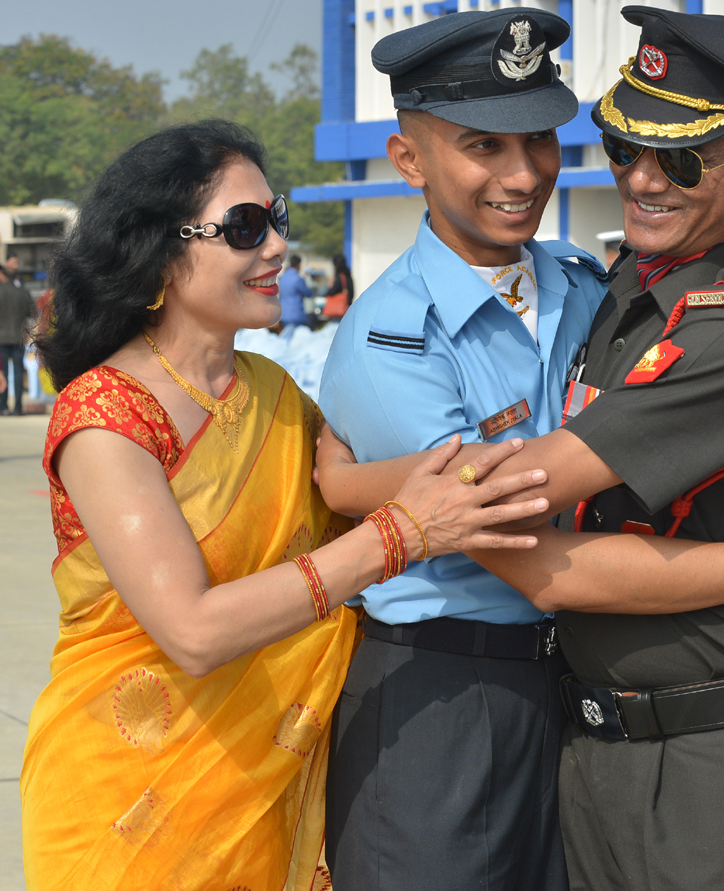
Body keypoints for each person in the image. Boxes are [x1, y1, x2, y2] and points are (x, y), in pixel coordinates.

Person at [316, 5, 724, 891]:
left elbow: (513, 494)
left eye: (541, 139)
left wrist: (350, 483)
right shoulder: (397, 334)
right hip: (452, 703)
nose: (642, 179)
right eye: (620, 147)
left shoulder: (607, 290)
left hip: (677, 737)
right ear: (408, 158)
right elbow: (512, 548)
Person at [19, 119, 552, 891]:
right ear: (160, 254)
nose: (275, 248)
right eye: (242, 227)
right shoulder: (108, 415)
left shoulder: (272, 396)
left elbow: (343, 498)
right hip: (131, 797)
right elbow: (194, 631)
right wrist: (404, 534)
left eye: (277, 221)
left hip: (267, 784)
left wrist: (475, 475)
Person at [0, 265, 35, 415]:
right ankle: (18, 407)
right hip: (19, 337)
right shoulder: (22, 293)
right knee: (19, 372)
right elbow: (32, 313)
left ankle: (3, 406)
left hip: (1, 339)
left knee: (3, 372)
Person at [278, 253, 312, 328]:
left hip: (284, 314)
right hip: (296, 314)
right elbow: (308, 293)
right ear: (299, 265)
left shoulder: (282, 277)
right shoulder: (298, 279)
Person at [322, 252, 353, 320]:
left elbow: (332, 292)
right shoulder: (348, 276)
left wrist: (329, 287)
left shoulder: (339, 277)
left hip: (338, 312)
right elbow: (352, 293)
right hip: (347, 308)